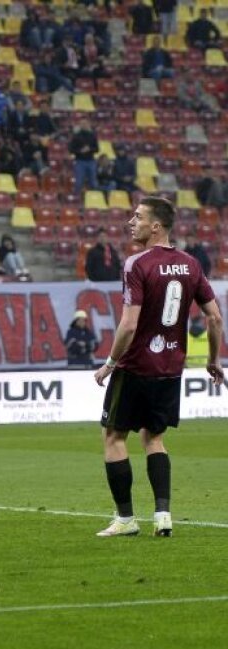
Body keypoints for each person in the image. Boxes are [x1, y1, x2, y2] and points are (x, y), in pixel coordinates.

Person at [92, 197, 224, 538]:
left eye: (137, 217)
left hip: (135, 365)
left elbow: (129, 325)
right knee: (154, 438)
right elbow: (215, 317)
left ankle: (125, 519)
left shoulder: (136, 264)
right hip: (170, 368)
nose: (130, 223)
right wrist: (213, 360)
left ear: (156, 226)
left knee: (113, 436)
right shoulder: (191, 264)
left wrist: (109, 363)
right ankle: (163, 515)